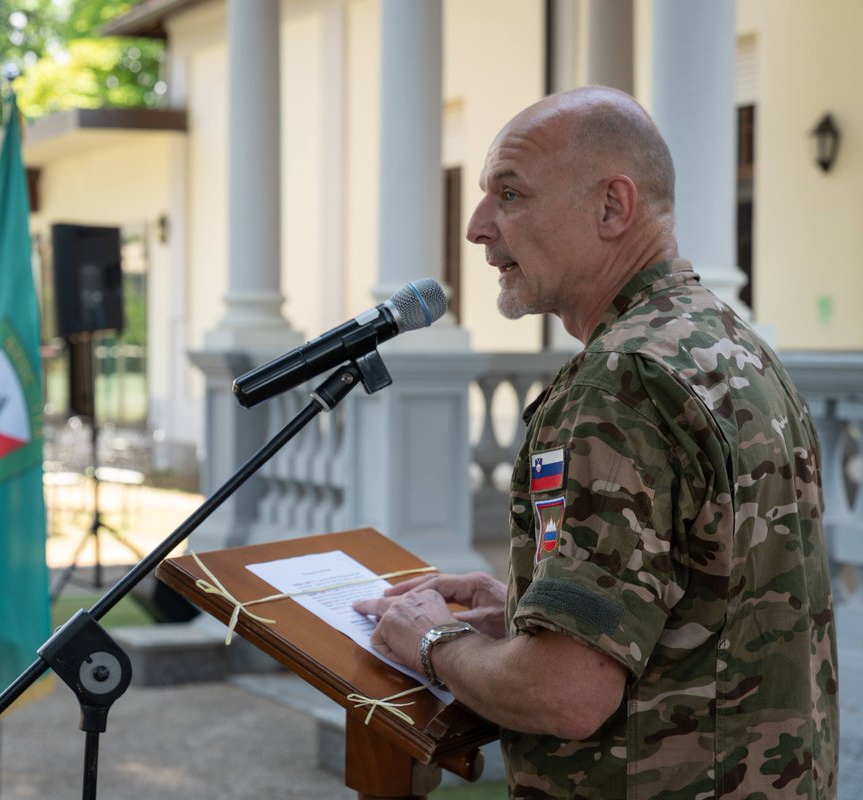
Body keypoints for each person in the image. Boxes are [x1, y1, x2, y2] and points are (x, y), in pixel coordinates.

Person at [353, 86, 838, 798]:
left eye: (510, 195)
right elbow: (705, 603)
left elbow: (567, 695)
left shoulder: (618, 381)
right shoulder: (730, 345)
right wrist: (524, 608)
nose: (478, 228)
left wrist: (434, 641)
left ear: (613, 207)